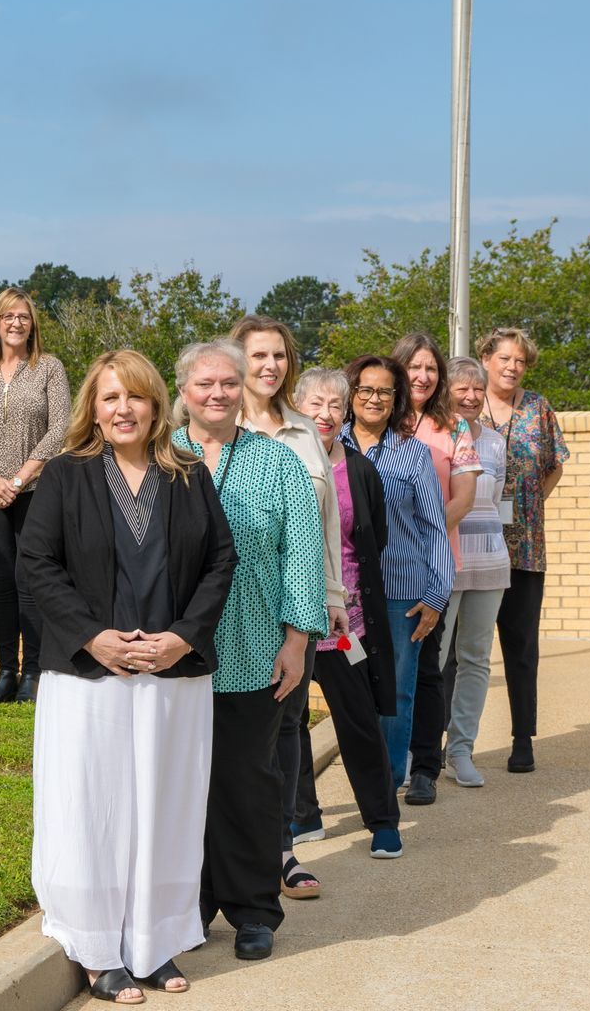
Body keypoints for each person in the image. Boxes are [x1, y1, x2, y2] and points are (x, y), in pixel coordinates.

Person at [19, 350, 235, 1001]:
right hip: (92, 680)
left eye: (136, 397)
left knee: (164, 811)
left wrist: (182, 638)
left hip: (172, 679)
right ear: (93, 405)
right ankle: (95, 949)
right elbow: (36, 563)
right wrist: (93, 636)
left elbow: (220, 562)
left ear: (155, 405)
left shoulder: (189, 477)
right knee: (95, 810)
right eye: (111, 398)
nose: (124, 410)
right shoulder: (65, 476)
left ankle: (155, 943)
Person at [172, 341, 327, 962]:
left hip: (253, 648)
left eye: (228, 384)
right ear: (182, 389)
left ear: (244, 390)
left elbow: (302, 556)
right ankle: (189, 903)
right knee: (181, 787)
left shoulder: (279, 463)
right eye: (204, 383)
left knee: (247, 781)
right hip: (171, 655)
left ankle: (254, 908)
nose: (217, 394)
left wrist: (296, 640)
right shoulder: (159, 460)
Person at [229, 316, 345, 861]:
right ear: (237, 360)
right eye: (259, 356)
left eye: (279, 356)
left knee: (288, 723)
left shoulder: (305, 431)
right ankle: (235, 855)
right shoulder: (209, 425)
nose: (270, 366)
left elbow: (325, 524)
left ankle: (282, 850)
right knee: (236, 734)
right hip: (229, 605)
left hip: (295, 607)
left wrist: (332, 597)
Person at [291, 368, 405, 859]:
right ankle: (303, 815)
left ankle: (382, 819)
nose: (326, 413)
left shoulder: (360, 470)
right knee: (287, 724)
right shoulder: (278, 460)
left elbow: (373, 539)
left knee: (357, 720)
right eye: (316, 403)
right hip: (288, 621)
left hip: (344, 623)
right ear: (295, 406)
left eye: (336, 404)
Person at [341, 354, 453, 789]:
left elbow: (433, 528)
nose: (374, 398)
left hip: (401, 596)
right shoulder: (326, 447)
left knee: (397, 692)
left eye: (384, 391)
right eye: (365, 389)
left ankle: (385, 787)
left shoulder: (414, 454)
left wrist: (435, 596)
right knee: (352, 693)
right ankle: (360, 782)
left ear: (396, 399)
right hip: (344, 598)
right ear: (351, 395)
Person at [0, 287, 70, 704]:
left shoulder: (48, 369)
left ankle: (34, 674)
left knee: (30, 582)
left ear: (32, 323)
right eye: (9, 316)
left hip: (35, 490)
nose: (16, 323)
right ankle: (6, 672)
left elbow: (60, 429)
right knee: (0, 583)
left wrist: (19, 480)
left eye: (23, 316)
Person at [391, 331, 480, 805]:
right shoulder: (375, 415)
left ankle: (424, 765)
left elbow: (464, 496)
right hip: (375, 569)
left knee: (427, 668)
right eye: (414, 366)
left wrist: (417, 531)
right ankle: (388, 761)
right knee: (378, 669)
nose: (423, 376)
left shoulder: (453, 427)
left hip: (430, 566)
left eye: (431, 368)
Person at [479, 326, 569, 773]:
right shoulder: (466, 403)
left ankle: (522, 739)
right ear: (486, 358)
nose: (512, 367)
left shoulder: (538, 408)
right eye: (505, 359)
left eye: (520, 361)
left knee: (520, 647)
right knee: (461, 650)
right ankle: (446, 743)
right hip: (472, 546)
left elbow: (554, 465)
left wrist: (532, 506)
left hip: (525, 549)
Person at [441, 357, 512, 787]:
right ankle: (423, 751)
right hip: (443, 565)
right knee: (432, 660)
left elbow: (495, 499)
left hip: (489, 563)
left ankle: (461, 749)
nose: (469, 397)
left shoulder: (496, 443)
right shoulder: (429, 436)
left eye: (477, 389)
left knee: (475, 660)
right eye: (460, 389)